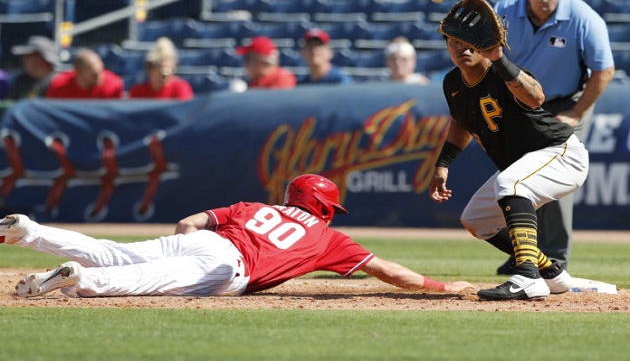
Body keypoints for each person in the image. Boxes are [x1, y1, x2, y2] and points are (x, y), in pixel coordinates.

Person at [2, 174, 472, 298]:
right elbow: (387, 271)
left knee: (116, 252)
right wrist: (440, 286)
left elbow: (189, 223)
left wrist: (182, 246)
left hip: (203, 242)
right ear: (325, 208)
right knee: (146, 281)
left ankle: (30, 231)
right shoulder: (329, 238)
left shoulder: (255, 206)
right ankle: (78, 280)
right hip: (228, 267)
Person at [429, 0, 589, 300]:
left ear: (481, 43)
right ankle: (550, 272)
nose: (460, 47)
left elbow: (536, 98)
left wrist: (500, 59)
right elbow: (461, 122)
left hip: (560, 153)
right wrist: (443, 162)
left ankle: (527, 277)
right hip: (528, 161)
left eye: (467, 41)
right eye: (453, 41)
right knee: (476, 218)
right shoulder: (452, 82)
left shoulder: (501, 72)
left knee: (510, 185)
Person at [492, 0, 615, 274]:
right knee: (517, 180)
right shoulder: (504, 10)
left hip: (566, 103)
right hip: (520, 104)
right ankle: (525, 253)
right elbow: (484, 55)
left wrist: (575, 112)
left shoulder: (583, 18)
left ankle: (555, 258)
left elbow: (604, 70)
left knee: (554, 176)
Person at [129, 37, 193, 100]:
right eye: (161, 71)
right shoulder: (137, 92)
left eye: (169, 70)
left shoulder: (181, 88)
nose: (166, 75)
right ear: (150, 70)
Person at [46, 48, 124, 99]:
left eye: (101, 72)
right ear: (78, 72)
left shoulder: (114, 85)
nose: (100, 77)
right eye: (94, 75)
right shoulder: (59, 86)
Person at [8, 36, 59, 100]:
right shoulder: (21, 81)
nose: (23, 60)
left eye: (28, 56)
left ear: (42, 58)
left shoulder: (58, 83)